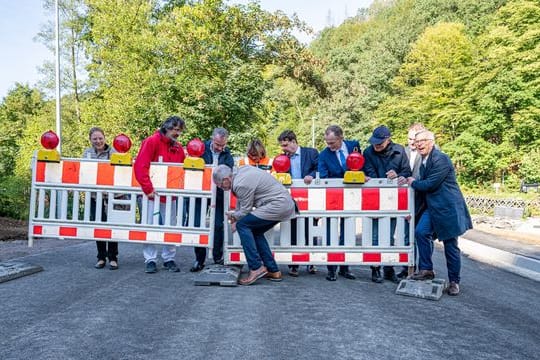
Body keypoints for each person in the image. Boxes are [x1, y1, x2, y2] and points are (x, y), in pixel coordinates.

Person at [401, 130, 472, 296]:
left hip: (448, 208)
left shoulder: (441, 159)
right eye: (417, 142)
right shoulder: (425, 160)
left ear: (431, 142)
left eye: (423, 141)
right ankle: (426, 269)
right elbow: (424, 191)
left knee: (450, 246)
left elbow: (430, 185)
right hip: (432, 207)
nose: (419, 144)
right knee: (421, 232)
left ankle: (454, 281)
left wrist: (412, 181)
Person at [213, 164, 296, 285]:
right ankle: (273, 270)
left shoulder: (240, 184)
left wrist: (234, 217)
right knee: (255, 231)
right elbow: (241, 201)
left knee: (243, 226)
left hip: (277, 205)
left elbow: (245, 210)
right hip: (282, 204)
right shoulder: (241, 173)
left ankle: (256, 267)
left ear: (226, 179)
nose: (221, 188)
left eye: (220, 185)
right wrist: (236, 216)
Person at [134, 116, 186, 274]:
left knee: (170, 225)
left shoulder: (177, 147)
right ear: (167, 127)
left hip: (171, 195)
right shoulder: (152, 141)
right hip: (152, 193)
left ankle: (168, 258)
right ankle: (150, 259)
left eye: (179, 130)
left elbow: (182, 169)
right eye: (175, 129)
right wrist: (147, 188)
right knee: (149, 224)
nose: (177, 133)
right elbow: (140, 165)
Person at [363, 125, 411, 283]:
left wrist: (398, 175)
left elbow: (407, 172)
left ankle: (388, 269)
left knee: (389, 236)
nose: (376, 146)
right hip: (374, 198)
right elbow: (368, 172)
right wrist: (377, 179)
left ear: (388, 139)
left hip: (393, 200)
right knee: (375, 236)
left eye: (380, 143)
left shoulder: (399, 150)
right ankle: (375, 269)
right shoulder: (368, 152)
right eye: (374, 142)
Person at [318, 125, 359, 281]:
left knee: (347, 232)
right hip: (332, 198)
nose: (329, 146)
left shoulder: (354, 146)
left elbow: (361, 165)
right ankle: (331, 269)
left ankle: (345, 267)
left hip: (352, 197)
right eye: (327, 142)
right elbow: (323, 176)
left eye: (332, 142)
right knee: (330, 232)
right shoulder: (324, 155)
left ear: (341, 138)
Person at [191, 127, 234, 272]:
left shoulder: (227, 154)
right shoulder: (200, 149)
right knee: (199, 225)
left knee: (218, 226)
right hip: (201, 193)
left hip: (219, 194)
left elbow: (229, 171)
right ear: (212, 139)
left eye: (222, 145)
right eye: (217, 145)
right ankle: (199, 259)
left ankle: (217, 257)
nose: (220, 148)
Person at [277, 129, 319, 277]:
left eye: (286, 145)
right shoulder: (282, 158)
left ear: (294, 142)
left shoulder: (311, 153)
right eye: (282, 146)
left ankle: (311, 262)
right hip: (291, 198)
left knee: (310, 229)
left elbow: (318, 167)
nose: (284, 149)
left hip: (309, 196)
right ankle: (293, 264)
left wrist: (311, 175)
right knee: (292, 229)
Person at [83, 127, 119, 270]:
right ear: (90, 140)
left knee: (112, 226)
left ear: (105, 138)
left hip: (111, 196)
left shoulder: (113, 152)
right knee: (99, 226)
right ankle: (101, 257)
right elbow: (84, 171)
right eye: (95, 139)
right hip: (94, 196)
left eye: (100, 138)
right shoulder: (87, 153)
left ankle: (113, 257)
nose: (98, 141)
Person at [398, 122, 427, 279]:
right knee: (406, 235)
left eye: (413, 138)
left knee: (421, 235)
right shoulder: (404, 151)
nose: (410, 142)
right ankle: (407, 266)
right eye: (408, 138)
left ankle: (424, 268)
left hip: (422, 200)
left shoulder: (428, 153)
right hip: (405, 200)